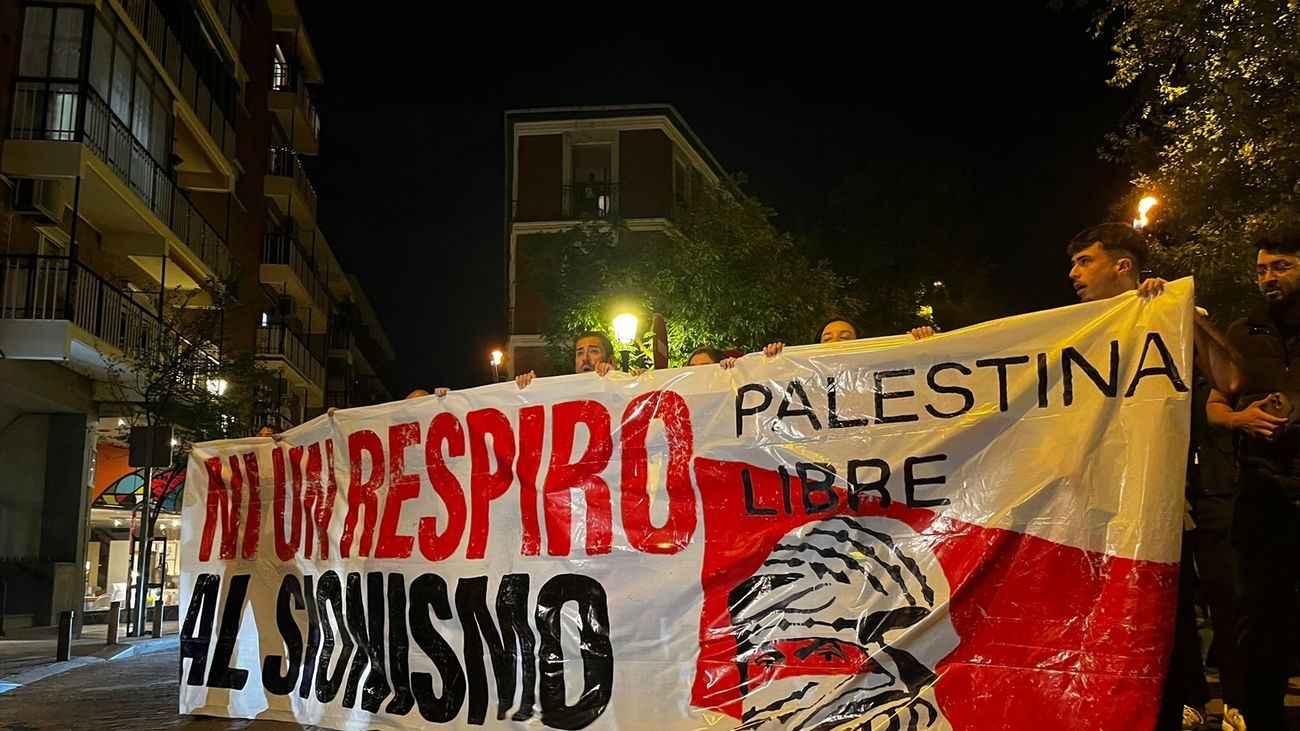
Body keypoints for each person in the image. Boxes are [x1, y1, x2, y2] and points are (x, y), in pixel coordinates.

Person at [1065, 222, 1243, 731]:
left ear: (1123, 265)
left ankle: (1197, 700)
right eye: (1074, 263)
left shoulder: (1169, 314)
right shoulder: (1078, 331)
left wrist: (1181, 310)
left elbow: (1229, 380)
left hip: (1169, 491)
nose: (1073, 273)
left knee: (1180, 599)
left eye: (1085, 262)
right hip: (1101, 497)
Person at [1205, 227, 1300, 731]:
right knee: (1261, 617)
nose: (1268, 278)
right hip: (1260, 493)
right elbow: (1217, 404)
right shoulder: (1243, 332)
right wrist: (1240, 419)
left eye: (1280, 266)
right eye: (1262, 268)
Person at [515, 331, 616, 389]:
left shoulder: (624, 393)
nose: (585, 358)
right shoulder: (560, 392)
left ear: (610, 361)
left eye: (593, 351)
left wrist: (616, 379)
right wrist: (531, 390)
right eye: (580, 353)